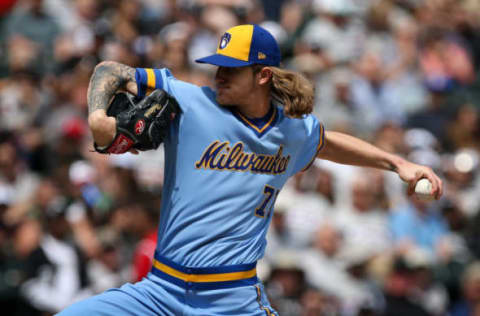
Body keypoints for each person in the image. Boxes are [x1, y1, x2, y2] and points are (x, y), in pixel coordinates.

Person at [58, 24, 443, 315]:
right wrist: (97, 115)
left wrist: (398, 163)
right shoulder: (190, 101)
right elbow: (110, 70)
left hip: (233, 300)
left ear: (262, 75)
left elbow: (328, 141)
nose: (219, 75)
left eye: (232, 69)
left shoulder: (292, 131)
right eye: (218, 66)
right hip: (159, 291)